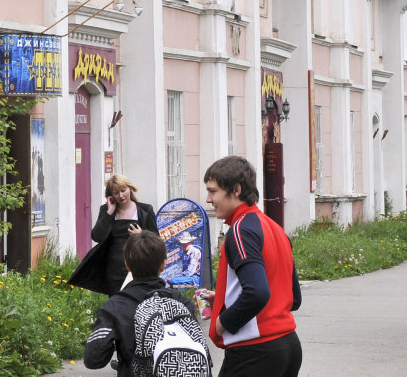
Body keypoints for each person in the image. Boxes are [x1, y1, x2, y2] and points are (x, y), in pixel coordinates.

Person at [199, 156, 302, 376]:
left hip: (256, 352)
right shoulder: (274, 228)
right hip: (287, 346)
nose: (208, 199)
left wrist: (221, 323)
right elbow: (293, 298)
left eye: (213, 191)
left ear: (236, 190)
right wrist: (223, 299)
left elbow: (257, 293)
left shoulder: (240, 230)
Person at [83, 230, 210, 377]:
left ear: (127, 265)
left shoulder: (115, 307)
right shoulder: (182, 303)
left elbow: (93, 360)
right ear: (163, 264)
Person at [70, 174, 160, 294]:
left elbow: (156, 240)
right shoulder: (106, 210)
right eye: (116, 193)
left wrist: (141, 235)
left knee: (138, 300)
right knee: (117, 303)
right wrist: (109, 212)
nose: (121, 196)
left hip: (139, 266)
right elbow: (97, 236)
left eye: (123, 190)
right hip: (114, 268)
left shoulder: (145, 210)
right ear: (111, 195)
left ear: (130, 188)